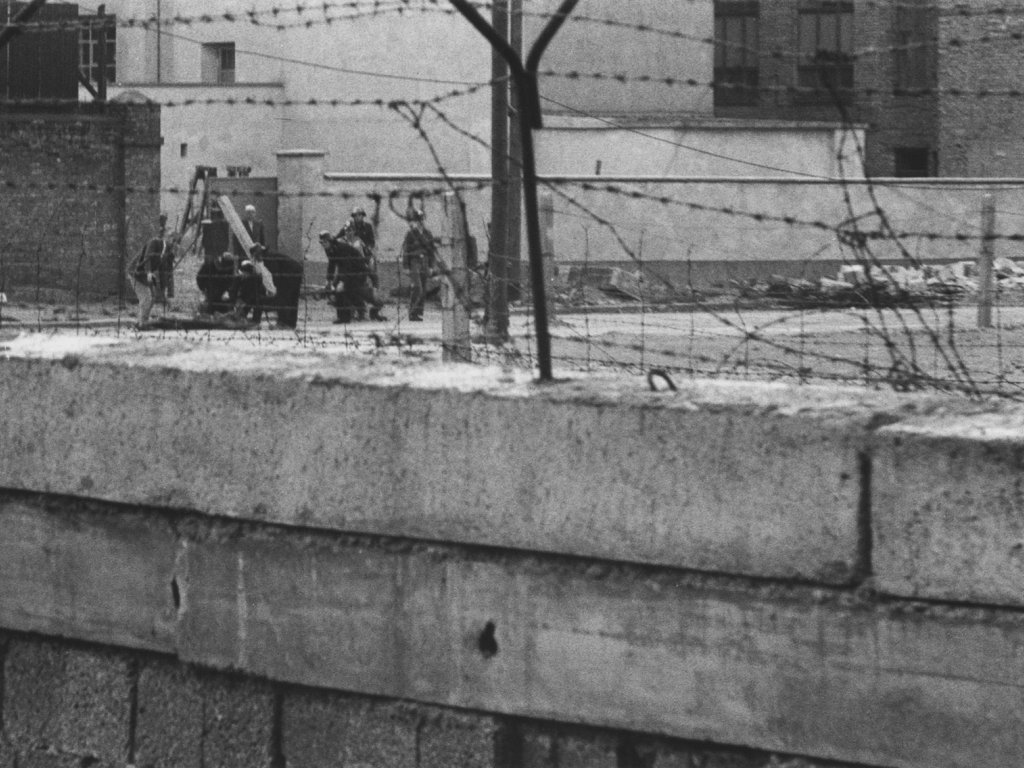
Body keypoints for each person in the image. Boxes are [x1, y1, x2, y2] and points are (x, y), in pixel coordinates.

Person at [318, 231, 384, 324]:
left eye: (325, 242)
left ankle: (376, 304)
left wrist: (343, 282)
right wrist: (328, 280)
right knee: (336, 290)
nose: (323, 244)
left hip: (358, 272)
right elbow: (332, 264)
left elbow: (347, 265)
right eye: (321, 243)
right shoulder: (329, 249)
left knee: (358, 291)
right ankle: (344, 318)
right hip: (346, 271)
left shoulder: (341, 248)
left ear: (330, 241)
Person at [130, 229, 179, 326]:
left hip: (147, 275)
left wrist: (166, 292)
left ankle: (143, 321)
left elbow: (165, 273)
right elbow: (147, 258)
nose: (175, 245)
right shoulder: (154, 242)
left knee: (153, 297)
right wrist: (148, 272)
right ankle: (142, 323)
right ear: (168, 238)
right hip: (137, 273)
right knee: (146, 298)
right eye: (174, 241)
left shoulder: (166, 253)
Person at [249, 244, 303, 329]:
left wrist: (275, 289)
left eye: (256, 257)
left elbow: (275, 273)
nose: (257, 260)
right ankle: (291, 323)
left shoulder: (268, 258)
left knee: (283, 299)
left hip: (290, 275)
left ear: (258, 254)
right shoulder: (269, 255)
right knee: (292, 299)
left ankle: (283, 323)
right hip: (296, 272)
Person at [400, 209, 437, 321]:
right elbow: (406, 250)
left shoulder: (428, 234)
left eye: (421, 219)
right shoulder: (411, 234)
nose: (420, 222)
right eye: (418, 220)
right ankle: (412, 312)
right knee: (417, 288)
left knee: (423, 288)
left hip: (425, 262)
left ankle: (418, 313)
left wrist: (431, 266)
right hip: (414, 262)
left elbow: (432, 251)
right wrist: (406, 266)